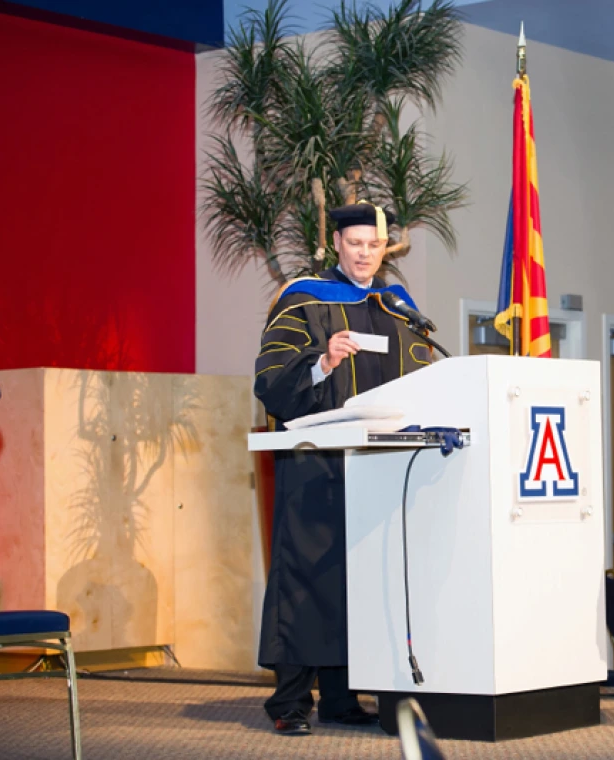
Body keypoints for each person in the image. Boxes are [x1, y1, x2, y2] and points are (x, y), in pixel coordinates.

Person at [254, 201, 434, 736]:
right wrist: (322, 361)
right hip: (318, 467)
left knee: (360, 582)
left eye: (374, 245)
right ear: (336, 244)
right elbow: (271, 382)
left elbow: (427, 378)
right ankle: (289, 704)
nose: (365, 254)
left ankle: (340, 698)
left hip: (379, 468)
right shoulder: (304, 298)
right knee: (307, 582)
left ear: (386, 247)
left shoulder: (398, 306)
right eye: (355, 244)